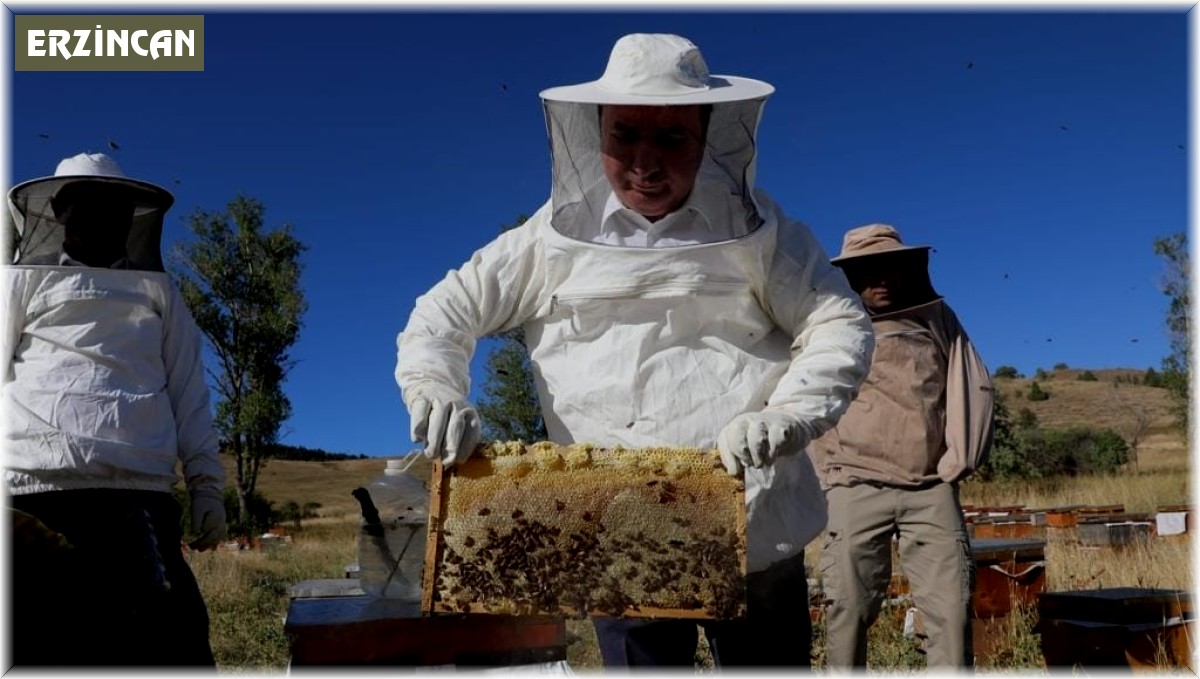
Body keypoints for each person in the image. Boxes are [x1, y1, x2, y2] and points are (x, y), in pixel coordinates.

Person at [395, 34, 874, 669]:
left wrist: (789, 415)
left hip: (755, 518)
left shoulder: (764, 234)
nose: (644, 162)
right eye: (624, 136)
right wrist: (435, 390)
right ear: (596, 135)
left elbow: (838, 320)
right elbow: (441, 315)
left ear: (706, 136)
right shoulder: (547, 239)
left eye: (671, 138)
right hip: (613, 529)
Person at [3, 152, 227, 667]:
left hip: (139, 499)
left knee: (170, 649)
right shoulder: (18, 283)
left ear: (132, 217)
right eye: (90, 206)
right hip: (34, 497)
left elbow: (189, 391)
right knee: (40, 650)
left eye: (116, 208)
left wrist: (207, 486)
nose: (105, 218)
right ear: (60, 212)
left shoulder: (160, 292)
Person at [809, 223, 995, 670]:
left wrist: (960, 459)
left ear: (907, 269)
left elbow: (972, 384)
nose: (882, 281)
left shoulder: (937, 320)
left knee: (950, 610)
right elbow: (804, 395)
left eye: (890, 269)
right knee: (847, 610)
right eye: (868, 271)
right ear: (849, 277)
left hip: (930, 487)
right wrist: (824, 473)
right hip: (853, 487)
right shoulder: (824, 324)